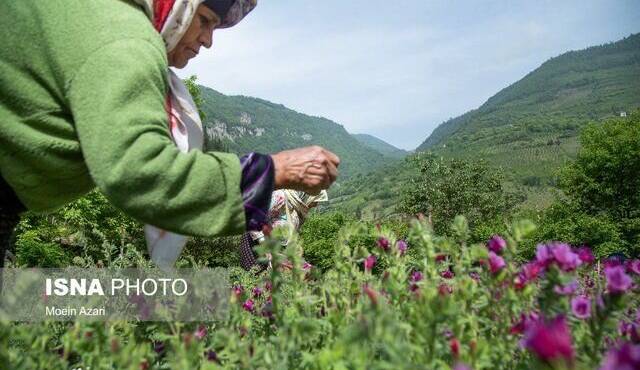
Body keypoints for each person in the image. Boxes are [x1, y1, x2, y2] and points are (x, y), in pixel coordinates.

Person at [0, 0, 340, 268]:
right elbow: (140, 173)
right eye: (205, 20)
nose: (207, 41)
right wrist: (275, 170)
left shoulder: (104, 17)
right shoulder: (124, 41)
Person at [239, 189, 328, 270]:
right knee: (256, 282)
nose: (316, 204)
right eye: (317, 200)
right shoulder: (280, 197)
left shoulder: (298, 209)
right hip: (256, 247)